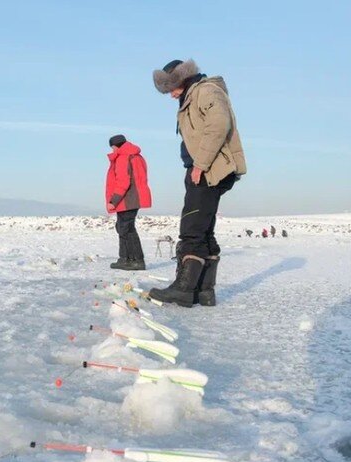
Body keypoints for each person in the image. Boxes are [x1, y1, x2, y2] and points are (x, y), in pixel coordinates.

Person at [148, 59, 246, 307]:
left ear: (182, 79)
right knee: (204, 229)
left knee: (192, 227)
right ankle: (204, 290)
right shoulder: (193, 95)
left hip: (208, 170)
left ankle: (184, 288)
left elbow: (218, 125)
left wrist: (200, 164)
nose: (171, 95)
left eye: (171, 88)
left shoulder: (206, 91)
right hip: (206, 169)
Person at [105, 134, 152, 270]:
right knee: (123, 227)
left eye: (112, 147)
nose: (112, 150)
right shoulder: (137, 156)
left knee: (127, 229)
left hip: (127, 199)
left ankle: (136, 260)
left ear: (116, 146)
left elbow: (123, 181)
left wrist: (114, 200)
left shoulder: (124, 157)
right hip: (133, 198)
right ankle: (125, 258)